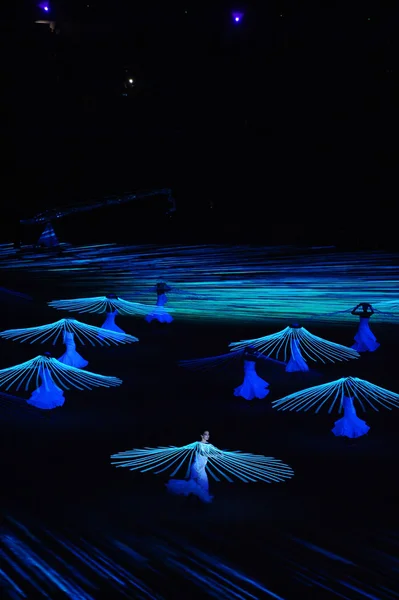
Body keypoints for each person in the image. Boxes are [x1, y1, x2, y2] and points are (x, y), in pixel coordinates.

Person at [166, 431, 214, 503]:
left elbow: (210, 453)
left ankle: (198, 501)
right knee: (193, 484)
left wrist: (217, 454)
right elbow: (202, 453)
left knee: (203, 484)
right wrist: (214, 456)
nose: (208, 436)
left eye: (208, 434)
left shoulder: (209, 445)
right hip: (196, 467)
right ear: (201, 435)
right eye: (206, 434)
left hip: (202, 468)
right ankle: (188, 501)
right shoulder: (198, 444)